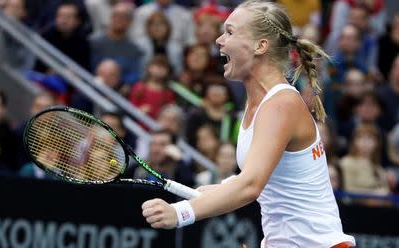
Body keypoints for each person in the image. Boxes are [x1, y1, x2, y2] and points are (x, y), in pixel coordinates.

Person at [141, 1, 356, 247]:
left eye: (230, 32)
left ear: (260, 45)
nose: (219, 40)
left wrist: (181, 213)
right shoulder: (257, 103)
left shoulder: (280, 104)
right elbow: (256, 183)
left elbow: (251, 185)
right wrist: (211, 193)